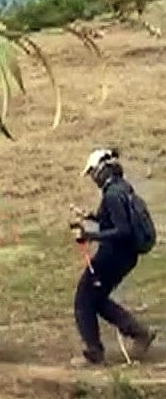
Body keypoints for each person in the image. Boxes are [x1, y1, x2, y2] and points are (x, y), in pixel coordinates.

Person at [69, 148, 156, 367]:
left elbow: (123, 230)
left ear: (100, 171)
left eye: (92, 174)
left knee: (84, 299)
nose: (92, 179)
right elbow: (114, 220)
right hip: (125, 256)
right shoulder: (122, 187)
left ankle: (94, 351)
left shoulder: (112, 194)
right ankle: (139, 333)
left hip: (114, 256)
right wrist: (89, 216)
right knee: (96, 299)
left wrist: (89, 235)